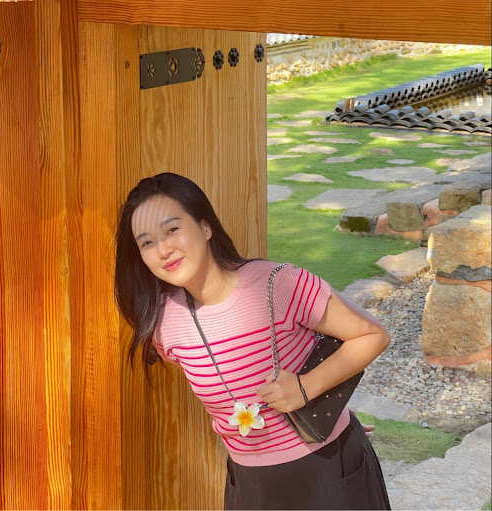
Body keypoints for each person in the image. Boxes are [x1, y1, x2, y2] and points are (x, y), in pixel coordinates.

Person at [114, 172, 392, 510]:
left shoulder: (280, 284)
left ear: (205, 226)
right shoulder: (164, 323)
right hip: (250, 484)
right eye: (146, 243)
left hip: (328, 467)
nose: (163, 250)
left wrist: (307, 389)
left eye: (172, 229)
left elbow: (373, 334)